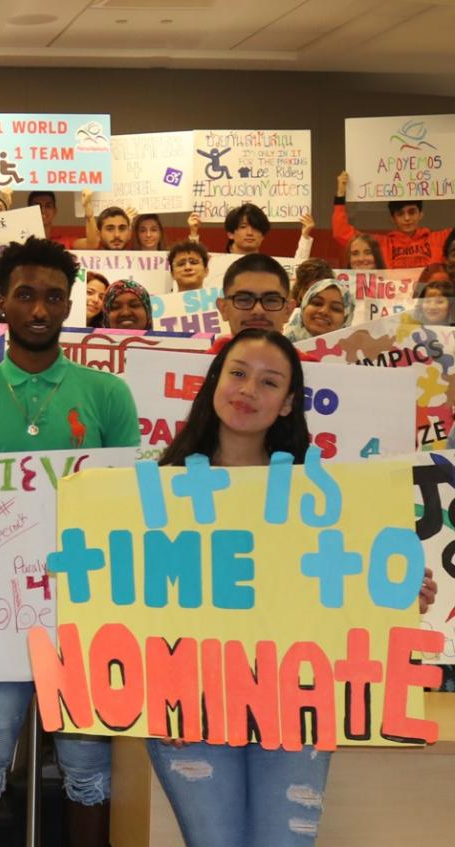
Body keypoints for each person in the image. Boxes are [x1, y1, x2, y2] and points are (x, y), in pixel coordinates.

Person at [151, 328, 435, 847]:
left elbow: (339, 591)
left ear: (286, 405)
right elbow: (127, 599)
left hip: (295, 701)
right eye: (237, 373)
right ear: (214, 381)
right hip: (190, 705)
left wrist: (395, 595)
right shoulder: (151, 490)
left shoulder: (322, 498)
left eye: (269, 382)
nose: (248, 390)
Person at [0, 236, 140, 847]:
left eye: (55, 297)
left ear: (71, 302)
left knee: (88, 774)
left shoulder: (108, 394)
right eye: (26, 295)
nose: (40, 310)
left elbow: (126, 508)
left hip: (84, 614)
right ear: (2, 303)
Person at [332, 170, 452, 269]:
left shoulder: (438, 239)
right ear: (393, 218)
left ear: (421, 214)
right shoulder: (381, 244)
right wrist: (340, 195)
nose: (407, 218)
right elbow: (342, 233)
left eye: (412, 212)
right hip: (392, 296)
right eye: (400, 214)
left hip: (430, 297)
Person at [215, 254, 298, 340]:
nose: (258, 310)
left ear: (288, 310)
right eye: (244, 300)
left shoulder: (300, 354)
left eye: (271, 300)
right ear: (223, 309)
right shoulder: (209, 354)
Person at [283, 278, 354, 341]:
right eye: (317, 303)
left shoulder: (355, 354)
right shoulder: (278, 348)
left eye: (335, 308)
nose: (324, 311)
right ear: (304, 306)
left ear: (346, 319)